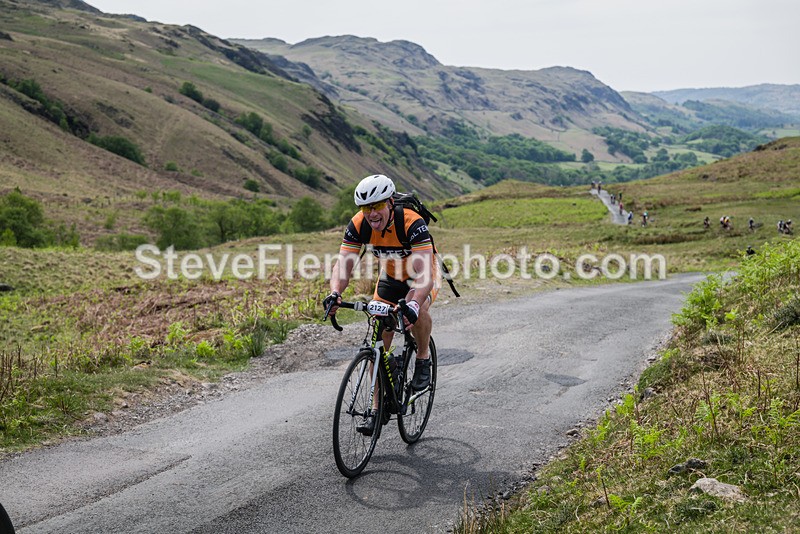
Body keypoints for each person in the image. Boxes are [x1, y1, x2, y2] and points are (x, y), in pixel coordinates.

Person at [324, 174, 441, 436]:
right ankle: (377, 409)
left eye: (376, 206)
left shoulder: (411, 222)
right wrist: (335, 293)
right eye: (366, 208)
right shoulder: (359, 224)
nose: (371, 214)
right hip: (390, 278)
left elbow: (425, 275)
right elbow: (343, 265)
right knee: (378, 338)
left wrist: (413, 304)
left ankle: (422, 357)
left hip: (421, 276)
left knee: (416, 310)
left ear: (390, 202)